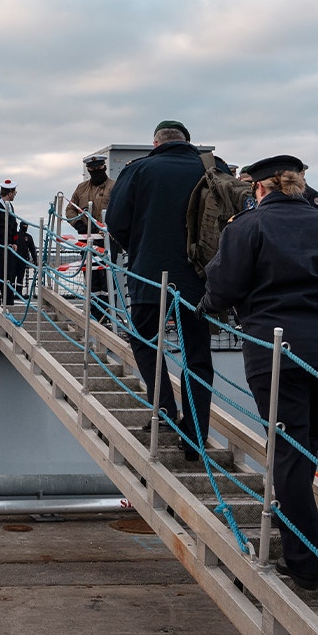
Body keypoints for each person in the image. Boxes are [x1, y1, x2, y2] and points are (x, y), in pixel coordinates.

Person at [200, 155, 318, 591]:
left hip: (278, 351)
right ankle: (300, 529)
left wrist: (205, 310)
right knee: (306, 440)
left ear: (259, 189)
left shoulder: (248, 227)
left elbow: (224, 287)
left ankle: (304, 563)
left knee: (289, 451)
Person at [105, 120, 214, 456]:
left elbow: (115, 222)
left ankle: (164, 410)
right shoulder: (212, 167)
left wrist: (137, 248)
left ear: (156, 143)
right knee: (197, 357)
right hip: (201, 276)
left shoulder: (139, 170)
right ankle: (195, 436)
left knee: (144, 339)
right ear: (187, 141)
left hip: (151, 273)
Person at [67, 154, 115, 297]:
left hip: (108, 239)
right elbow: (70, 209)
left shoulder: (115, 186)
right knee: (90, 276)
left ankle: (109, 312)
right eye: (92, 169)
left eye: (98, 168)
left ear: (104, 167)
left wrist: (110, 228)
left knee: (107, 277)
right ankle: (93, 311)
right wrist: (78, 224)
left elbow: (122, 209)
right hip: (87, 239)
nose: (95, 171)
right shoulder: (81, 188)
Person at [0, 179, 27, 305]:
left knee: (9, 277)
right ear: (10, 193)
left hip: (8, 247)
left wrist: (14, 242)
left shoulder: (9, 206)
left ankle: (8, 303)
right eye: (14, 192)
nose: (15, 194)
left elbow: (13, 225)